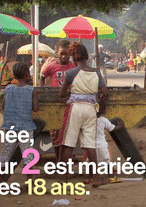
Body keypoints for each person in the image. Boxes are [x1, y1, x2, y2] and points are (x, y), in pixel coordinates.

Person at [58, 42, 109, 187]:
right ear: (87, 57)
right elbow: (105, 92)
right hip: (91, 109)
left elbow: (62, 94)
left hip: (75, 109)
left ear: (73, 58)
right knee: (90, 145)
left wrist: (69, 92)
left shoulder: (70, 73)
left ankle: (63, 179)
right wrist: (100, 96)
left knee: (68, 144)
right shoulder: (96, 72)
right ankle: (97, 178)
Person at [0, 62, 39, 191]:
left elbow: (3, 105)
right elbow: (36, 108)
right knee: (27, 154)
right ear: (27, 75)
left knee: (5, 152)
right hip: (26, 126)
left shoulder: (9, 88)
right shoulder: (32, 90)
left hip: (10, 126)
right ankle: (30, 182)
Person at [39, 40, 75, 161]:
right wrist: (41, 91)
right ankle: (58, 159)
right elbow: (42, 77)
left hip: (68, 104)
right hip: (54, 104)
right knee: (54, 134)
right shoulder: (52, 65)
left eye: (66, 54)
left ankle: (64, 161)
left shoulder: (73, 66)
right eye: (62, 54)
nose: (64, 56)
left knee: (66, 134)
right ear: (57, 53)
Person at [83, 99, 124, 184]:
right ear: (102, 110)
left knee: (90, 162)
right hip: (102, 145)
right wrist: (120, 125)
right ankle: (111, 178)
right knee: (108, 161)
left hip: (91, 146)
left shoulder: (87, 120)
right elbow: (113, 129)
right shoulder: (103, 120)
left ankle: (91, 178)